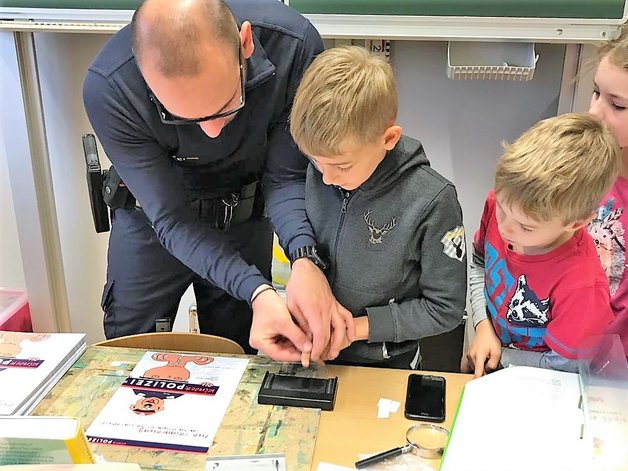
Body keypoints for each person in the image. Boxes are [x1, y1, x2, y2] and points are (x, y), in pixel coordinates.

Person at [82, 0, 353, 363]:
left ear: (245, 44)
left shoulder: (294, 48)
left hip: (244, 209)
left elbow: (285, 178)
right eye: (182, 117)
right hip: (154, 219)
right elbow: (172, 220)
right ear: (144, 78)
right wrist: (258, 290)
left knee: (239, 352)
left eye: (226, 105)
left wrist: (305, 259)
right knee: (129, 356)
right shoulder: (110, 87)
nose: (210, 133)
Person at [289, 46, 467, 369]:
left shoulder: (433, 201)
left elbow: (445, 308)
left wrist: (354, 329)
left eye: (341, 166)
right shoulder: (326, 166)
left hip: (386, 365)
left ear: (388, 139)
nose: (326, 178)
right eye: (316, 162)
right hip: (313, 351)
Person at [462, 113, 620, 378]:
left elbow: (565, 364)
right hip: (486, 344)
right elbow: (479, 264)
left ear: (575, 223)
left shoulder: (582, 285)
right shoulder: (503, 203)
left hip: (537, 380)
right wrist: (481, 326)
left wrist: (498, 353)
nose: (504, 228)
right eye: (501, 208)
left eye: (526, 227)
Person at [588, 14, 628, 382]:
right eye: (596, 92)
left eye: (617, 105)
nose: (594, 112)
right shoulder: (581, 167)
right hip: (561, 362)